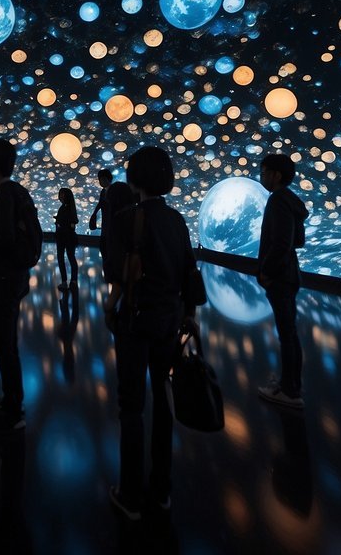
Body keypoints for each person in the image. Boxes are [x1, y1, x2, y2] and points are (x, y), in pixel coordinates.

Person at [104, 146, 198, 520]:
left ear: (134, 178)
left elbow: (117, 275)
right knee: (162, 401)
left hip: (134, 322)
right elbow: (189, 271)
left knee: (131, 405)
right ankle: (161, 491)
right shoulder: (176, 220)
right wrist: (189, 315)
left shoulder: (128, 218)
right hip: (168, 321)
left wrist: (109, 308)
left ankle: (130, 494)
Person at [0, 137, 35, 432]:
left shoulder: (3, 195)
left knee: (4, 344)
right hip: (17, 277)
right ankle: (11, 401)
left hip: (4, 279)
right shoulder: (18, 191)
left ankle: (14, 411)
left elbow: (4, 237)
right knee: (8, 342)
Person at [256, 153, 309, 409]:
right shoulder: (291, 201)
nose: (262, 176)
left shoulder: (278, 201)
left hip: (280, 276)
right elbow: (297, 241)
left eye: (264, 171)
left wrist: (266, 271)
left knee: (286, 335)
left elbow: (281, 243)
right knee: (290, 333)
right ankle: (290, 383)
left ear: (276, 175)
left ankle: (290, 391)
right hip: (291, 273)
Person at [55, 187, 79, 288]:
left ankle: (70, 281)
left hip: (67, 236)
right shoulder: (64, 207)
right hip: (62, 236)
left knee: (69, 257)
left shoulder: (67, 208)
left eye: (62, 194)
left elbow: (72, 223)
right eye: (60, 194)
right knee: (66, 258)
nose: (60, 196)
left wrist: (60, 222)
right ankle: (70, 281)